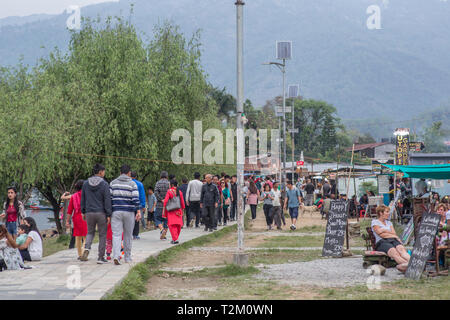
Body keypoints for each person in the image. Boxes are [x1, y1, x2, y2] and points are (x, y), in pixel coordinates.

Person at [80, 163, 112, 264]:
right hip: (101, 213)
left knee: (90, 232)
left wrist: (83, 211)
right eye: (104, 171)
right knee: (102, 235)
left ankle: (87, 248)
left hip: (89, 212)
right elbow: (107, 200)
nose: (104, 173)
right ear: (100, 172)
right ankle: (100, 257)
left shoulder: (85, 183)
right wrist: (108, 214)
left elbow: (83, 198)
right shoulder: (104, 184)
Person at [110, 164, 141, 265]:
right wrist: (138, 211)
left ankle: (116, 256)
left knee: (116, 235)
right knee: (128, 235)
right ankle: (127, 257)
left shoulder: (113, 183)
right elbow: (135, 199)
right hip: (129, 212)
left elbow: (109, 199)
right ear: (129, 173)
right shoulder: (133, 184)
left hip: (116, 212)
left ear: (120, 173)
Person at [371, 205, 410, 273]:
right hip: (381, 242)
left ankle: (413, 263)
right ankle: (408, 266)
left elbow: (393, 233)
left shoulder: (389, 222)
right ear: (381, 213)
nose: (388, 213)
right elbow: (380, 234)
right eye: (387, 212)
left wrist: (384, 230)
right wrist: (390, 233)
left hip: (393, 239)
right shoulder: (375, 222)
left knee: (402, 250)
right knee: (394, 252)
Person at [65, 180, 88, 260]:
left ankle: (80, 254)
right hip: (86, 216)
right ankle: (84, 250)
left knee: (78, 236)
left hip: (76, 217)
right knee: (86, 236)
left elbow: (69, 210)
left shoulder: (73, 196)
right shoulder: (87, 195)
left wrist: (67, 221)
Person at [163, 179, 185, 245]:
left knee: (172, 225)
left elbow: (166, 201)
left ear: (172, 185)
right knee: (178, 225)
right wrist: (183, 209)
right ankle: (176, 238)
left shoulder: (169, 191)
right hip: (178, 210)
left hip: (171, 211)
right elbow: (182, 202)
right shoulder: (179, 192)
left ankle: (175, 239)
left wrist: (164, 208)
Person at [155, 171, 170, 240]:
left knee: (157, 218)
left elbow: (156, 192)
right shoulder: (169, 183)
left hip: (159, 204)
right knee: (166, 220)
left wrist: (161, 199)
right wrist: (166, 199)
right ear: (167, 176)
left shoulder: (158, 183)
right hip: (168, 205)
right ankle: (164, 235)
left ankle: (161, 229)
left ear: (160, 176)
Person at [131, 172, 146, 240]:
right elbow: (142, 195)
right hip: (138, 204)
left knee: (129, 220)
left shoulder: (127, 183)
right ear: (136, 176)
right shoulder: (140, 184)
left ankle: (129, 234)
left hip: (129, 204)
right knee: (137, 220)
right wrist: (143, 205)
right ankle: (135, 235)